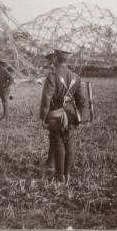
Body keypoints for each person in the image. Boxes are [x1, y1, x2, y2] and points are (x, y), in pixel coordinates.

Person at [39, 49, 87, 183]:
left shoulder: (52, 76)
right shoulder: (76, 77)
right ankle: (68, 174)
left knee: (58, 142)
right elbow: (81, 100)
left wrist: (43, 118)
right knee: (69, 142)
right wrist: (79, 117)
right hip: (71, 114)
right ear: (67, 59)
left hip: (56, 113)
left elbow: (46, 99)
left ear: (56, 59)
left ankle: (60, 175)